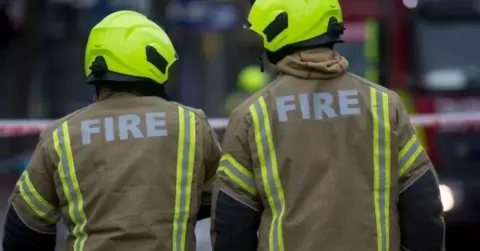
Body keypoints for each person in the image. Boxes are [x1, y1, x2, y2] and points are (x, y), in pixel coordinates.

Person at [211, 0, 445, 251]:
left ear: (280, 31)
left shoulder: (252, 115)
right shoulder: (384, 105)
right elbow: (423, 207)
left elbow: (232, 222)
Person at [2, 10, 221, 251]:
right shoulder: (190, 125)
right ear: (154, 60)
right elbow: (225, 204)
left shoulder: (61, 136)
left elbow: (24, 227)